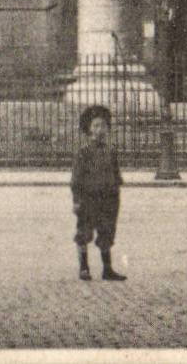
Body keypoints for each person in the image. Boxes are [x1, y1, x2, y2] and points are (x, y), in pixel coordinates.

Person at [70, 104, 126, 282]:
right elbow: (76, 180)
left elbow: (116, 175)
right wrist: (77, 200)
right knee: (84, 232)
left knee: (107, 231)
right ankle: (84, 267)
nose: (100, 129)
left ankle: (107, 269)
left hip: (108, 199)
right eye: (95, 126)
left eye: (103, 125)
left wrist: (115, 192)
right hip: (88, 199)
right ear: (89, 129)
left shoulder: (111, 151)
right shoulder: (83, 153)